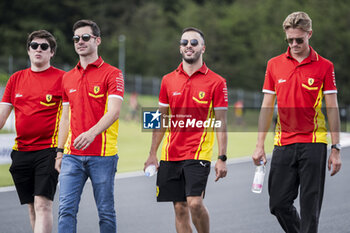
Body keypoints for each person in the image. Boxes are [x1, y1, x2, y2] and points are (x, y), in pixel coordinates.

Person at [252, 11, 342, 233]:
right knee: (278, 204)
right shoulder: (274, 64)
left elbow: (332, 107)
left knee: (310, 210)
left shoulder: (325, 66)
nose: (294, 44)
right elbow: (266, 106)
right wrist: (259, 144)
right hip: (283, 143)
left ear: (309, 34)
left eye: (299, 40)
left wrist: (336, 148)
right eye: (289, 40)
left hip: (314, 142)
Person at [144, 27, 228, 233]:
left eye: (193, 42)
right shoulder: (167, 80)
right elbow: (160, 118)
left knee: (194, 204)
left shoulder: (217, 82)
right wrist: (152, 153)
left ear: (203, 48)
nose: (188, 46)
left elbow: (222, 122)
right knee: (180, 208)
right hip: (170, 154)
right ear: (180, 48)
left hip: (198, 153)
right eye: (184, 43)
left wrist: (222, 157)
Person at [54, 19, 124, 233]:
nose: (80, 42)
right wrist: (59, 152)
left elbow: (114, 111)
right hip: (71, 156)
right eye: (76, 38)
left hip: (102, 155)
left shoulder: (113, 74)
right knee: (65, 210)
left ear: (97, 40)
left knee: (105, 211)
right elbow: (65, 118)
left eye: (85, 37)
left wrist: (92, 133)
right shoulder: (67, 77)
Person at [0, 30, 65, 233]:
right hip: (21, 151)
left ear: (51, 52)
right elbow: (2, 115)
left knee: (43, 204)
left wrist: (61, 151)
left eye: (44, 46)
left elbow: (68, 117)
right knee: (31, 207)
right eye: (34, 46)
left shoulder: (62, 78)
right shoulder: (15, 79)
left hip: (48, 151)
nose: (39, 49)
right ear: (28, 50)